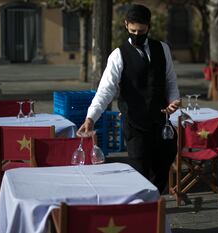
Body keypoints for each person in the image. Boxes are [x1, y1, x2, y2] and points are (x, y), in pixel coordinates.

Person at [77, 4, 180, 193]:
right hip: (135, 123)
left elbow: (170, 80)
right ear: (126, 25)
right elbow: (105, 90)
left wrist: (174, 100)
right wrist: (91, 117)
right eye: (133, 31)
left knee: (163, 164)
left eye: (141, 31)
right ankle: (143, 209)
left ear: (148, 27)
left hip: (161, 122)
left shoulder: (162, 49)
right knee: (140, 170)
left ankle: (153, 202)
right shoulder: (118, 55)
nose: (137, 34)